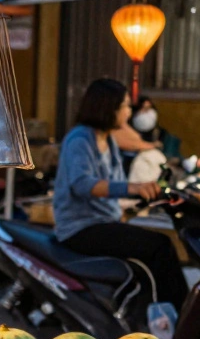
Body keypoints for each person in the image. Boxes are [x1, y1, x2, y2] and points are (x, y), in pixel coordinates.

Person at [53, 78, 187, 310]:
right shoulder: (80, 139)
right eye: (125, 105)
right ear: (108, 107)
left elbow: (113, 185)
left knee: (151, 254)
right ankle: (176, 315)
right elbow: (83, 184)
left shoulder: (109, 140)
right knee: (160, 246)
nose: (129, 111)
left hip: (104, 223)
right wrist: (132, 188)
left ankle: (148, 312)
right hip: (80, 228)